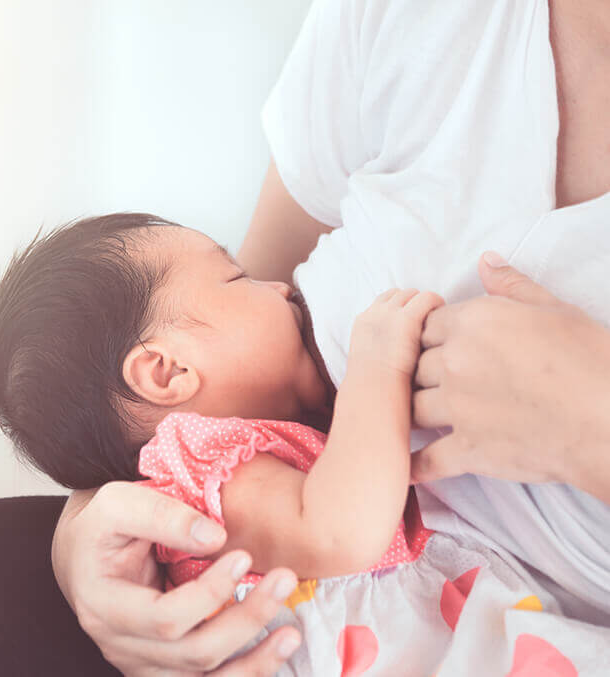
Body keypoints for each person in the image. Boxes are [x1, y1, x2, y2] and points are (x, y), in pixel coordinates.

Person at [51, 0, 610, 672]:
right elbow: (340, 525)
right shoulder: (207, 455)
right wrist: (82, 532)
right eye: (236, 281)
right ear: (163, 372)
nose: (281, 287)